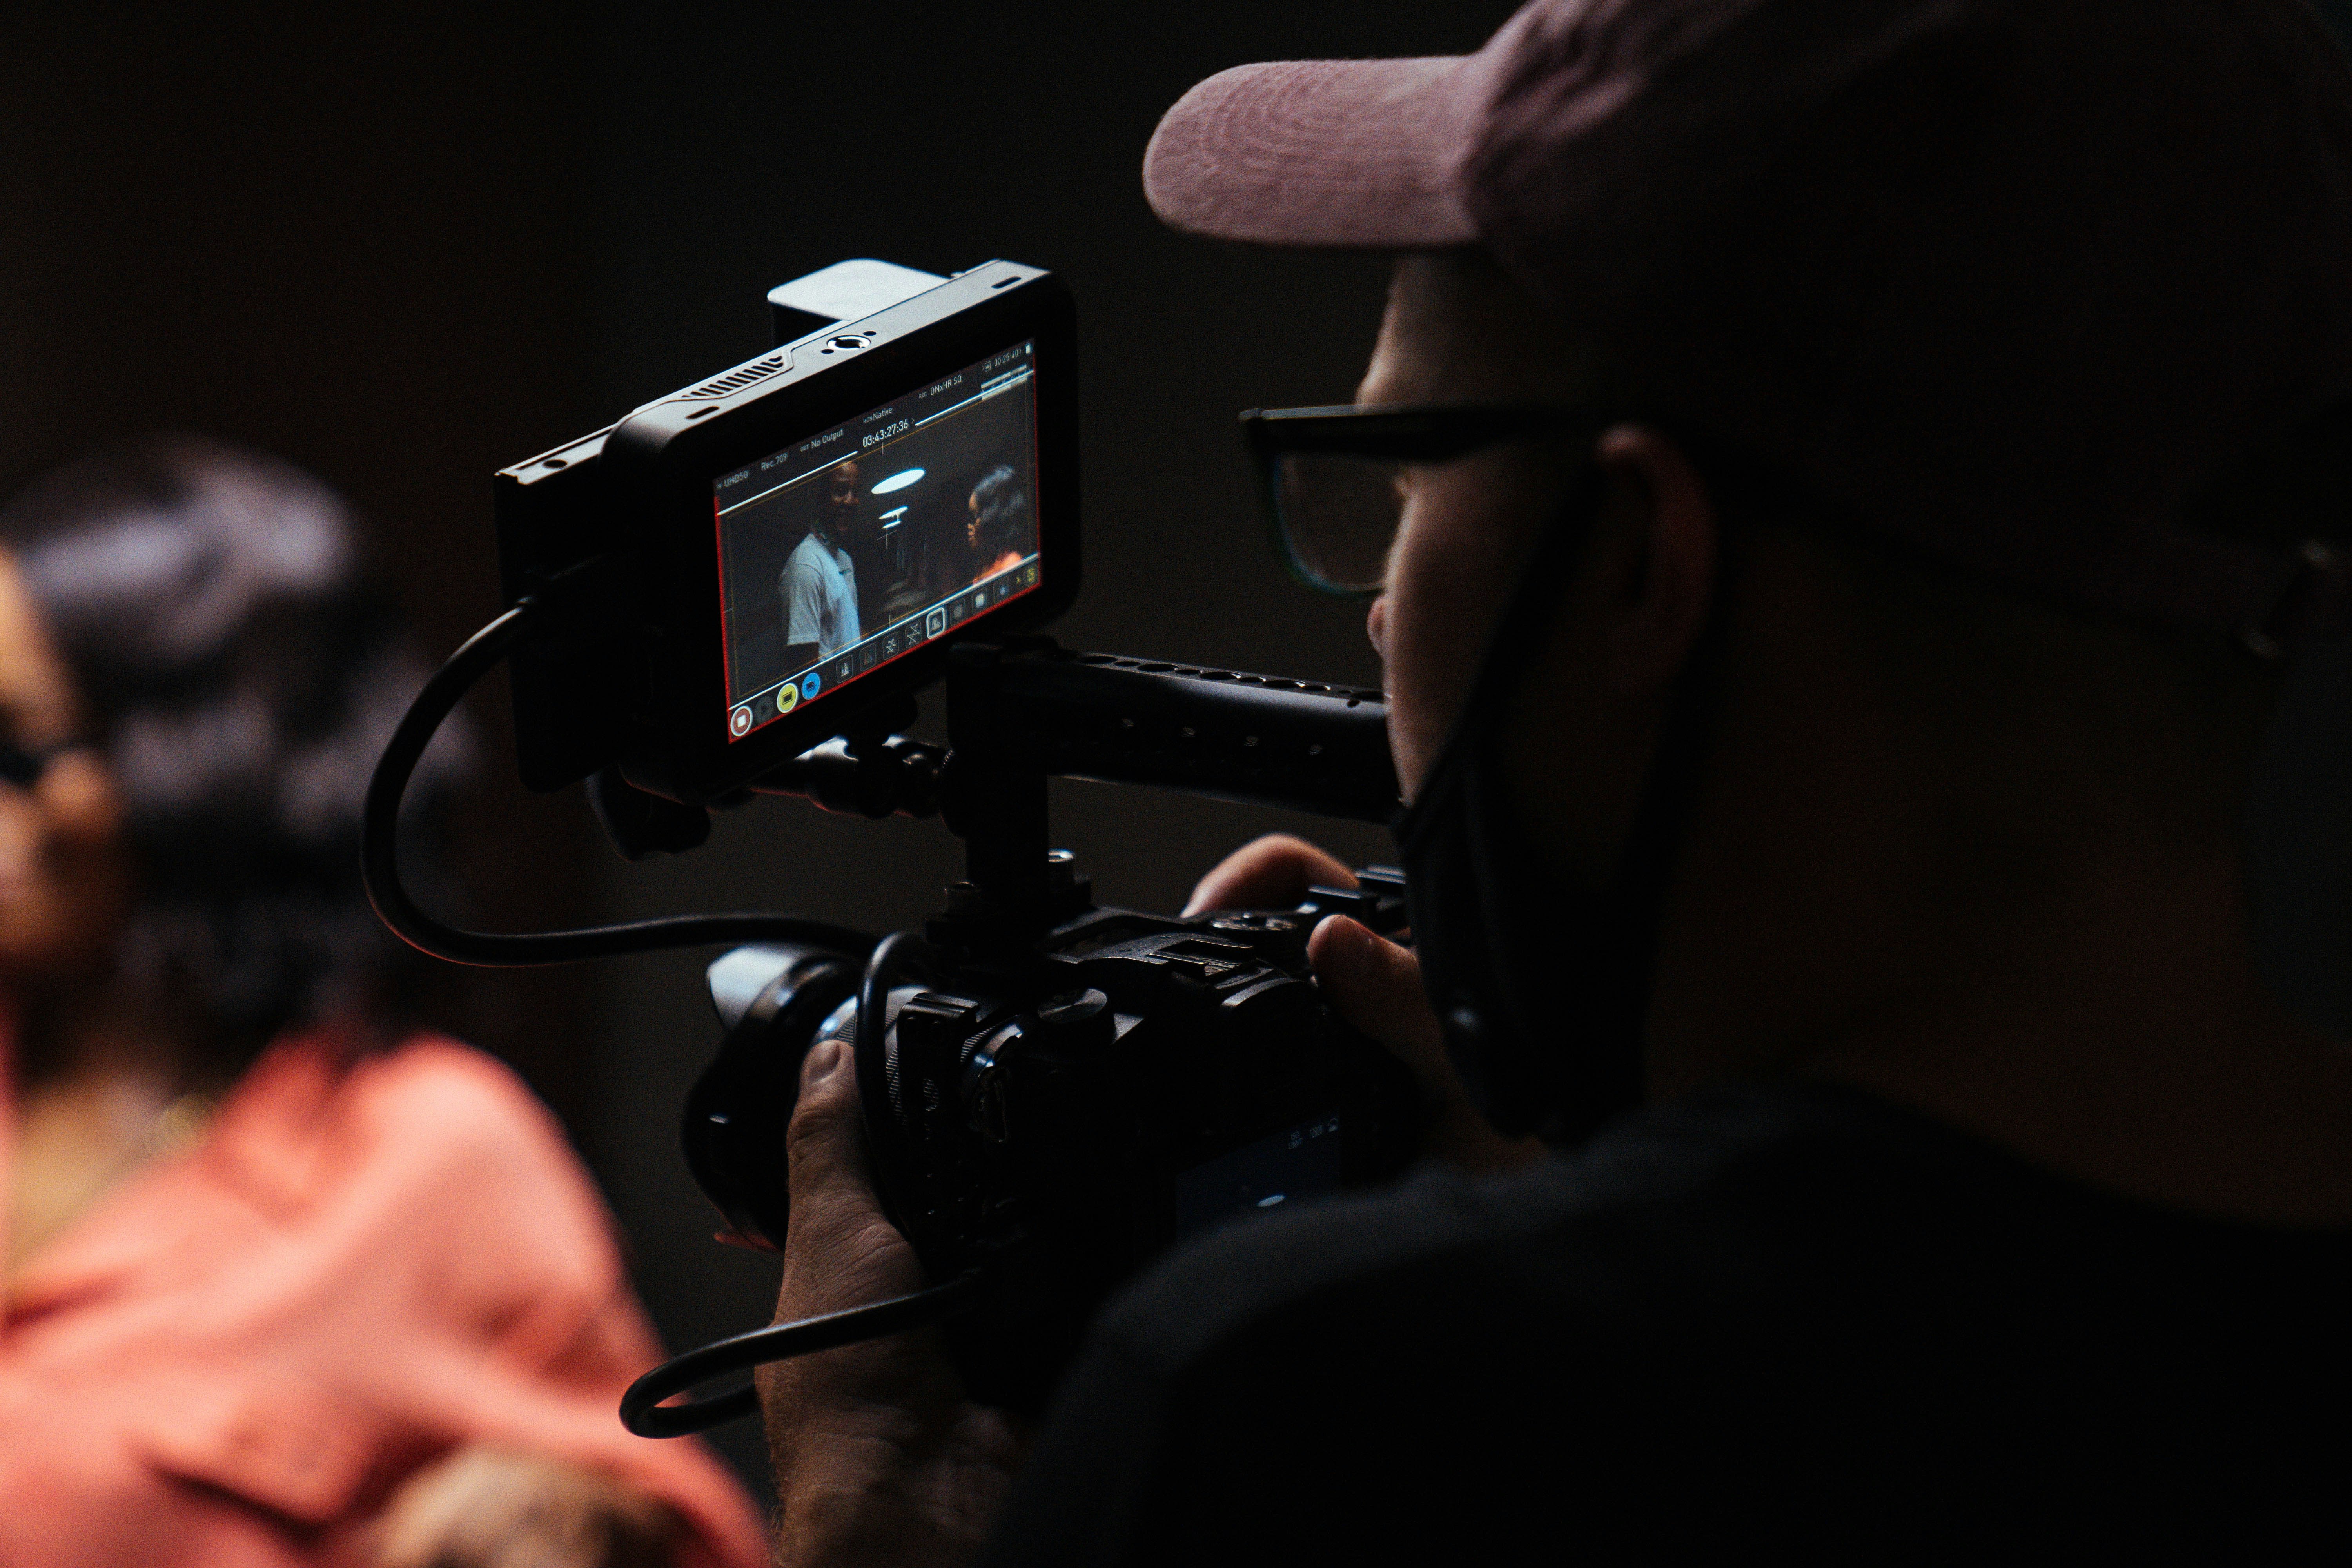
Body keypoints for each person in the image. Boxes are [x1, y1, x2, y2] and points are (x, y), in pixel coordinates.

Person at [756, 0, 2352, 1558]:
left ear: (1640, 564)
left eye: (1407, 481)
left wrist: (877, 1505)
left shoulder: (1323, 1409)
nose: (1383, 609)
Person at [0, 439, 766, 1568]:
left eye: (20, 751)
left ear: (198, 761)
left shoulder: (433, 1155)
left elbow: (660, 1529)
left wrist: (561, 1518)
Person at [782, 460, 866, 671]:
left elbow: (847, 629)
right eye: (840, 491)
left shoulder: (844, 559)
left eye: (855, 492)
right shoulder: (807, 564)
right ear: (821, 499)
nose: (849, 501)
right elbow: (807, 671)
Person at [965, 465, 1030, 584]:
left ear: (992, 518)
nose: (969, 526)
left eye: (974, 517)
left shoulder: (1011, 564)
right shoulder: (985, 567)